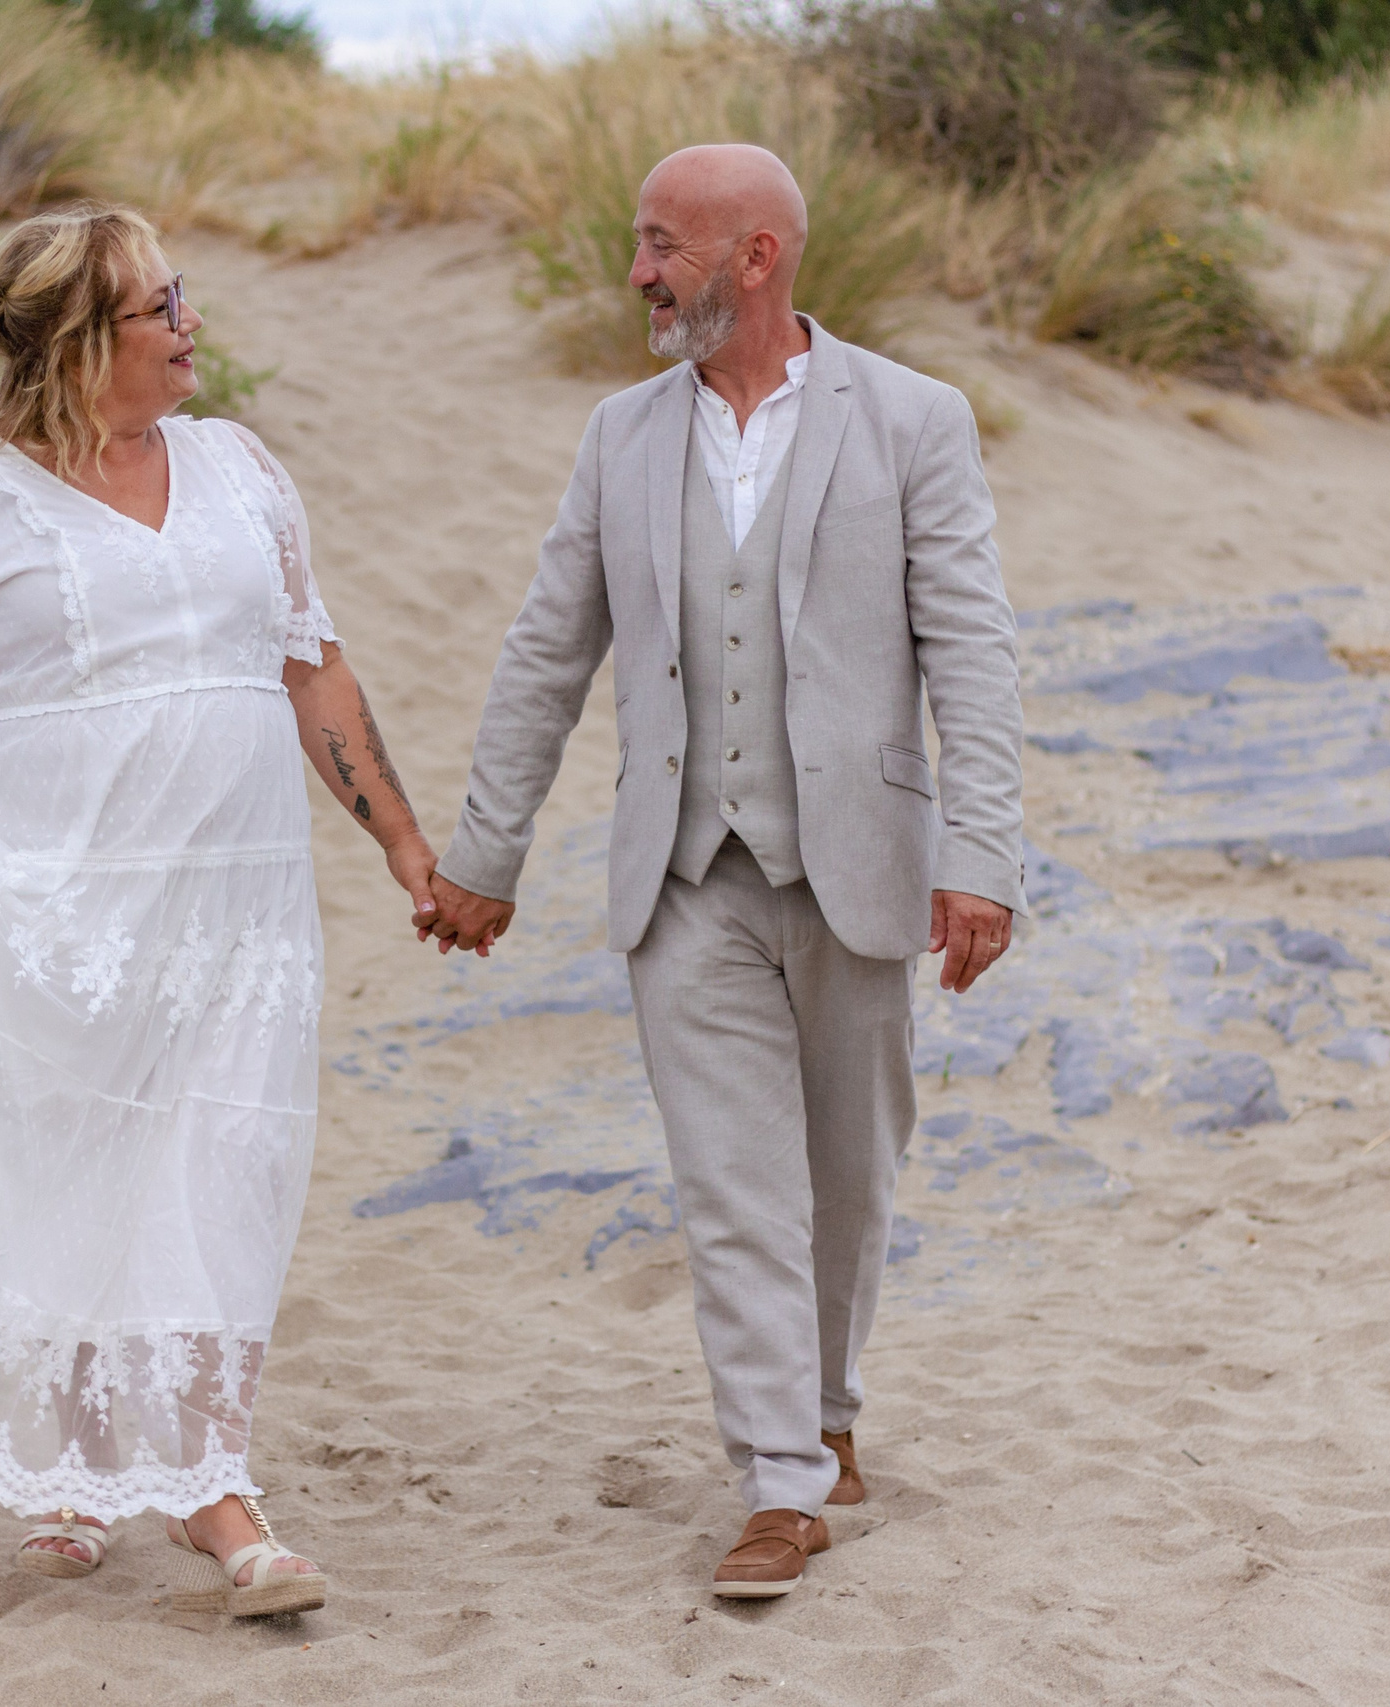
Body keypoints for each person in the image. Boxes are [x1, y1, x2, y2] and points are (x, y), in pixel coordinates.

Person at [0, 205, 437, 1619]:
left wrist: (402, 841)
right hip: (64, 911)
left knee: (220, 1167)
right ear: (83, 343)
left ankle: (213, 1487)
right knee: (75, 1171)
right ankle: (76, 1467)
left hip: (240, 911)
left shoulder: (240, 468)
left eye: (179, 294)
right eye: (160, 307)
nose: (190, 322)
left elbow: (314, 668)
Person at [422, 145, 1026, 1598]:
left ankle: (828, 1409)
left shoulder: (916, 419)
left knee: (848, 1180)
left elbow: (972, 650)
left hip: (859, 864)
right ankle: (778, 1482)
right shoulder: (619, 436)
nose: (637, 272)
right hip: (684, 875)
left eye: (662, 245)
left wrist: (983, 856)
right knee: (732, 1188)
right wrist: (486, 853)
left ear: (757, 257)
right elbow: (547, 653)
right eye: (639, 242)